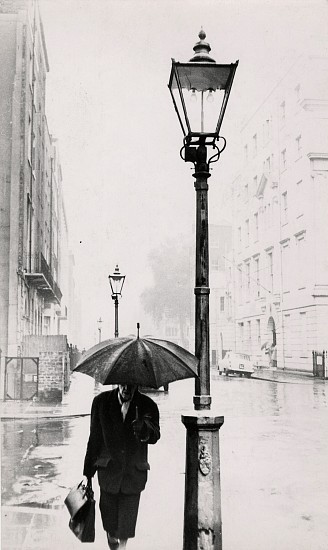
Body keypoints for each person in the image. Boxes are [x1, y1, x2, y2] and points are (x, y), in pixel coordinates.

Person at [83, 384, 160, 549]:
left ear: (137, 384)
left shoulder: (147, 405)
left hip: (133, 476)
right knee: (110, 528)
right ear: (116, 382)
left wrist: (144, 429)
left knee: (125, 528)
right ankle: (113, 542)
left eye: (130, 384)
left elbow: (155, 435)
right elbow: (94, 438)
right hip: (108, 474)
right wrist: (88, 472)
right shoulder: (101, 402)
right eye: (122, 383)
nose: (126, 388)